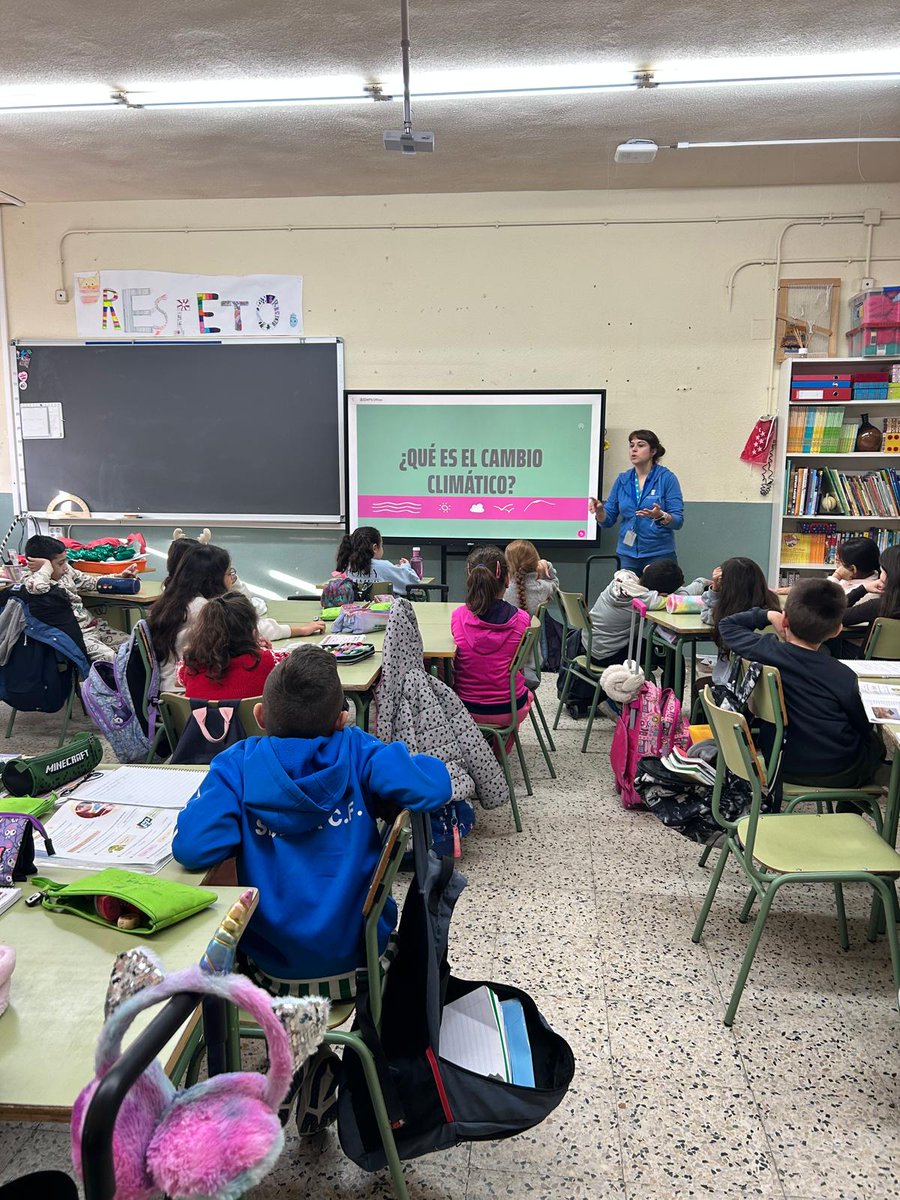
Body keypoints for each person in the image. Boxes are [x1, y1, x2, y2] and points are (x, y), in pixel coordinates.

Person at [172, 646, 451, 1133]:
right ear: (342, 717)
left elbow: (194, 848)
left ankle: (298, 1062)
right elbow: (436, 784)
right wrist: (371, 744)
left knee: (219, 938)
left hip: (271, 968)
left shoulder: (237, 765)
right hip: (359, 963)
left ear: (258, 714)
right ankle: (313, 1059)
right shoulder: (357, 750)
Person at [718, 577, 886, 787]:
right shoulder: (842, 674)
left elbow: (727, 625)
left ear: (785, 619)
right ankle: (855, 805)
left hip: (778, 761)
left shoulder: (765, 650)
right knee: (876, 745)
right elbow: (862, 723)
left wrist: (768, 615)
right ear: (837, 630)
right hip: (836, 770)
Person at [148, 542, 324, 694]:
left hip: (171, 690)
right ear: (213, 579)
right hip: (188, 692)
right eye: (229, 573)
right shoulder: (204, 608)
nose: (233, 578)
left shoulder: (174, 600)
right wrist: (301, 629)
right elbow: (250, 623)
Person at [451, 544, 532, 748]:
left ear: (471, 580)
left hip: (465, 709)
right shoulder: (523, 620)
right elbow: (520, 668)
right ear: (506, 579)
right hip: (508, 710)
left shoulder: (458, 617)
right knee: (526, 690)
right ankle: (498, 751)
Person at [21, 534, 137, 663]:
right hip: (76, 636)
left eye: (65, 561)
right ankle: (110, 683)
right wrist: (46, 567)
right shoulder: (32, 581)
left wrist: (119, 577)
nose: (65, 567)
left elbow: (91, 582)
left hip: (94, 627)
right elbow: (39, 588)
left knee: (135, 647)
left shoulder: (66, 571)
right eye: (60, 563)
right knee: (111, 659)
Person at [589, 429, 684, 573]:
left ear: (653, 451)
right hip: (627, 555)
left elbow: (678, 521)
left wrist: (660, 515)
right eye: (631, 445)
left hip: (659, 554)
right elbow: (607, 521)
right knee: (625, 594)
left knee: (659, 595)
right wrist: (600, 511)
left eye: (640, 445)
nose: (634, 449)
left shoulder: (667, 478)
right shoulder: (622, 479)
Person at [177, 592, 290, 699]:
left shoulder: (190, 665)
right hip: (251, 719)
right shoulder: (273, 662)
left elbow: (179, 681)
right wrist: (265, 651)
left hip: (202, 719)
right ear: (253, 631)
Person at [701, 557, 780, 684]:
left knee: (699, 686)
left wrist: (714, 589)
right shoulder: (773, 609)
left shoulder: (728, 618)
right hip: (766, 686)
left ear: (727, 587)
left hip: (733, 687)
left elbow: (706, 615)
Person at [335, 526, 420, 597]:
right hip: (385, 613)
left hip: (356, 612)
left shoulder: (349, 566)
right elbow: (413, 584)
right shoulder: (384, 566)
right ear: (375, 548)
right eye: (381, 545)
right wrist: (405, 567)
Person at [503, 539, 558, 614]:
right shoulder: (543, 588)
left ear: (508, 562)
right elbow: (554, 582)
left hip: (509, 626)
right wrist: (547, 565)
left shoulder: (502, 590)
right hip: (538, 625)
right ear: (535, 560)